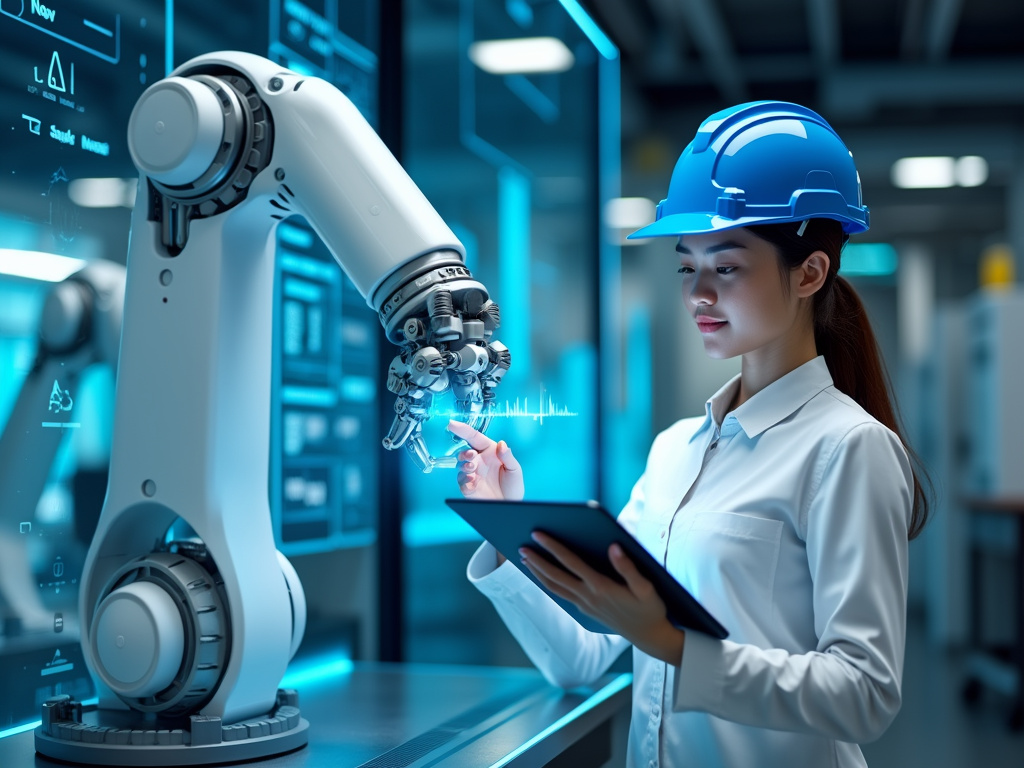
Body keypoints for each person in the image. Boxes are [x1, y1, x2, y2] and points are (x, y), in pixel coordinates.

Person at [447, 101, 930, 768]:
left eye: (726, 267)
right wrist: (503, 536)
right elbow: (582, 660)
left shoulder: (849, 448)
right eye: (685, 266)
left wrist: (676, 646)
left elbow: (865, 695)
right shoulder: (676, 450)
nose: (698, 293)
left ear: (810, 273)